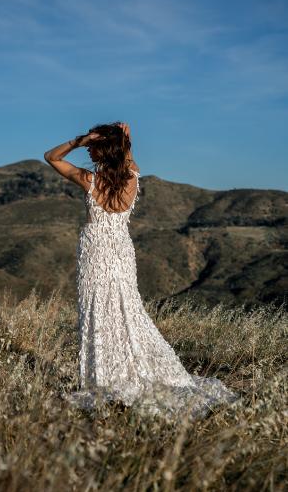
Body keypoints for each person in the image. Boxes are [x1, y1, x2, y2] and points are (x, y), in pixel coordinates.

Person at [44, 121, 238, 419]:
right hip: (120, 252)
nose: (90, 150)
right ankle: (126, 369)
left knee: (99, 309)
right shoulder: (132, 178)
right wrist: (125, 142)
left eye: (94, 147)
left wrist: (78, 140)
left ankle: (105, 377)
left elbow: (51, 157)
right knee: (126, 308)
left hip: (96, 254)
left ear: (100, 150)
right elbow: (128, 161)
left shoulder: (89, 180)